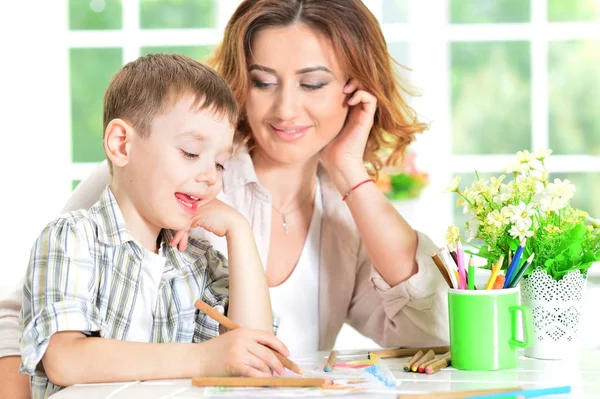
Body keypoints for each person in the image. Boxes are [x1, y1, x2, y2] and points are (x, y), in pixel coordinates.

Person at [0, 1, 449, 396]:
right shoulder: (164, 174)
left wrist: (350, 170)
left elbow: (440, 330)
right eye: (263, 82)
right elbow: (21, 324)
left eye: (312, 84)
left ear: (355, 90)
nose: (286, 109)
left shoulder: (345, 211)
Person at [18, 53, 288, 399]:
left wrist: (239, 231)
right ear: (121, 144)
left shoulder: (195, 261)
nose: (209, 177)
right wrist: (204, 358)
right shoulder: (73, 238)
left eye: (220, 164)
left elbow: (254, 351)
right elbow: (66, 360)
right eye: (191, 152)